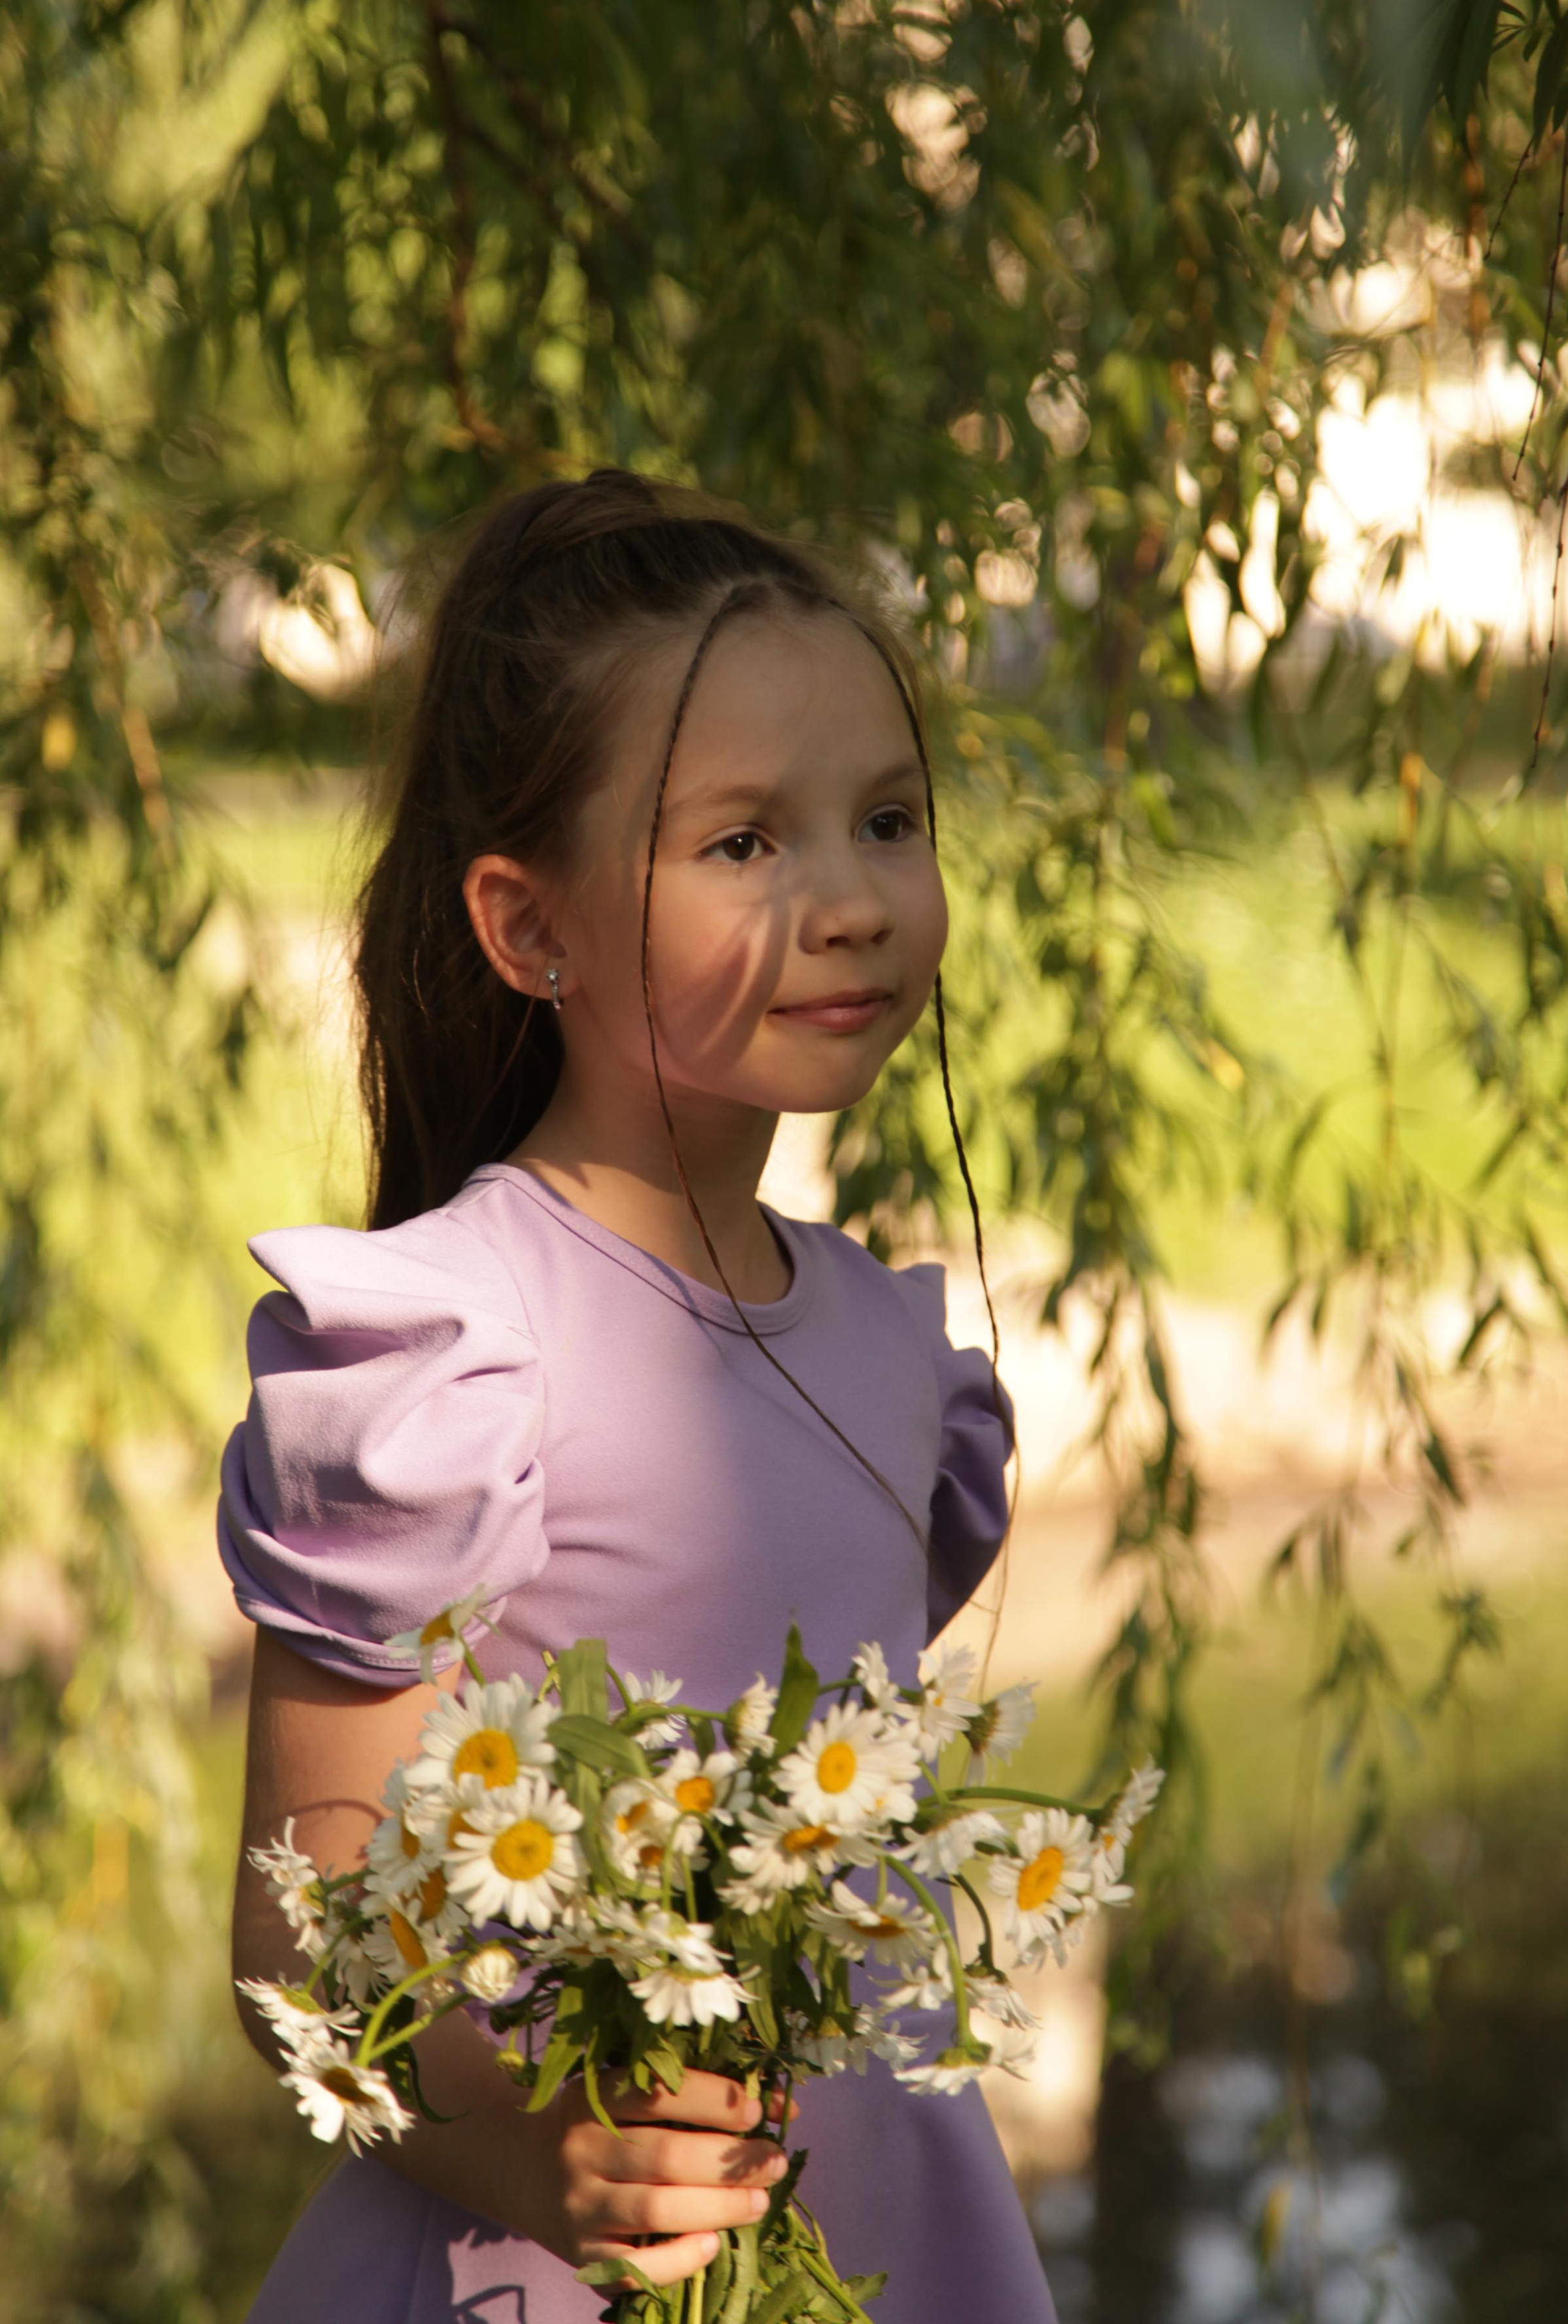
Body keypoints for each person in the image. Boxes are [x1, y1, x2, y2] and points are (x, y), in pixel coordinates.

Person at [219, 470, 1054, 2322]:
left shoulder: (899, 1363)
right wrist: (526, 2141)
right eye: (745, 843)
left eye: (888, 820)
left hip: (869, 2229)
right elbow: (301, 1922)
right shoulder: (447, 1348)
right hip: (541, 2258)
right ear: (534, 931)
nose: (848, 900)